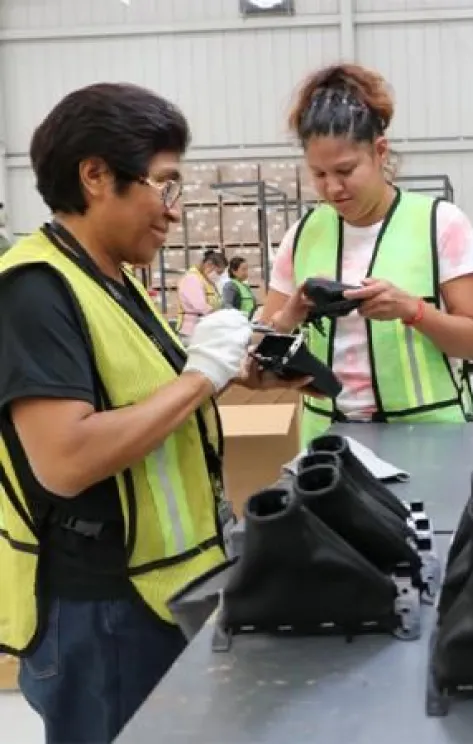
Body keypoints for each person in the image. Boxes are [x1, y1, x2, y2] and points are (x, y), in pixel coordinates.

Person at [0, 83, 266, 743]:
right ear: (95, 175)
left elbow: (147, 402)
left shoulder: (114, 282)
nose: (173, 212)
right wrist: (200, 377)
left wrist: (231, 372)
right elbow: (66, 460)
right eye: (164, 186)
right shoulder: (34, 290)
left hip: (161, 588)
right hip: (99, 607)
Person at [261, 63, 473, 445]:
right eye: (319, 175)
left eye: (345, 170)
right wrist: (289, 317)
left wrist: (412, 311)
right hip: (327, 442)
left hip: (431, 438)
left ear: (379, 152)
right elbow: (264, 344)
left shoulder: (441, 224)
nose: (333, 188)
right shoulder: (301, 236)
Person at [176, 249, 226, 342]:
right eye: (218, 272)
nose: (219, 276)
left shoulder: (206, 280)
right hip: (191, 331)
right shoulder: (192, 279)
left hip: (203, 329)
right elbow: (200, 306)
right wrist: (222, 316)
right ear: (209, 265)